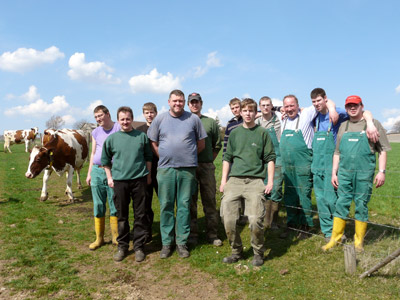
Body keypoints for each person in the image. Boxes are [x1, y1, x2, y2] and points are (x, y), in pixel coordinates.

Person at [322, 95, 391, 252]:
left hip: (364, 174)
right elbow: (337, 152)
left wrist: (381, 172)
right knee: (341, 204)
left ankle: (358, 241)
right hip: (344, 174)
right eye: (349, 106)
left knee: (361, 205)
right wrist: (334, 173)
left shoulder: (373, 125)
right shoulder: (343, 126)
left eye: (355, 105)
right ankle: (335, 239)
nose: (352, 108)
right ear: (346, 108)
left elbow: (383, 150)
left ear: (362, 106)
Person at [310, 88, 379, 241]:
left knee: (333, 199)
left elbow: (363, 112)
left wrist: (369, 122)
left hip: (332, 159)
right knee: (320, 200)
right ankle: (328, 231)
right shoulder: (315, 116)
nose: (316, 104)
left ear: (326, 99)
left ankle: (339, 231)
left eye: (319, 100)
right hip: (318, 161)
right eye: (314, 101)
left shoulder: (339, 112)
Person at [147, 89, 207, 259]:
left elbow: (200, 144)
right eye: (175, 101)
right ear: (169, 102)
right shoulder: (160, 119)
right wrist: (165, 156)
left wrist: (187, 156)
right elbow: (153, 142)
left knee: (184, 205)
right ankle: (167, 243)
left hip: (187, 169)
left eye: (180, 101)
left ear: (184, 102)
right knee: (166, 205)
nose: (178, 104)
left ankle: (181, 242)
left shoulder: (193, 119)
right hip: (165, 170)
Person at [219, 98, 276, 266]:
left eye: (251, 111)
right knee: (227, 218)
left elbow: (270, 159)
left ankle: (258, 252)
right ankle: (236, 251)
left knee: (255, 219)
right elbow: (227, 158)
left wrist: (270, 181)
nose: (248, 114)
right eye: (245, 111)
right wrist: (224, 181)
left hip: (256, 181)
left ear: (255, 112)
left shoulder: (262, 133)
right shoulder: (235, 133)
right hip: (235, 180)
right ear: (241, 112)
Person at [279, 94, 338, 239]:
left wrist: (332, 109)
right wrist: (280, 109)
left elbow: (324, 101)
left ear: (298, 105)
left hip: (303, 162)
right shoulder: (283, 120)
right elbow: (263, 110)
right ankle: (292, 224)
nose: (289, 109)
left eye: (292, 105)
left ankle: (306, 226)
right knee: (289, 194)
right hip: (288, 165)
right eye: (286, 106)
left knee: (303, 194)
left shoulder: (306, 114)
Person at [102, 106, 152, 262]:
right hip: (120, 181)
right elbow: (105, 161)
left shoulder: (141, 137)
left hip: (139, 180)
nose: (125, 122)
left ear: (132, 119)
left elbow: (148, 157)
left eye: (128, 119)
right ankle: (122, 246)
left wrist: (148, 175)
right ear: (118, 120)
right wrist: (110, 178)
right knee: (122, 216)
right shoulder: (112, 139)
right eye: (122, 119)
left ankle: (139, 247)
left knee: (140, 215)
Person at [187, 92, 222, 246]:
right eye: (192, 102)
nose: (194, 104)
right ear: (188, 104)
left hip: (206, 166)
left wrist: (208, 160)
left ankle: (212, 234)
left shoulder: (210, 122)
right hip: (188, 167)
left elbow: (217, 145)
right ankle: (192, 234)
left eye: (197, 102)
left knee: (209, 201)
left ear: (201, 103)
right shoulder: (184, 121)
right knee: (190, 201)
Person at [86, 105, 120, 250]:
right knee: (98, 204)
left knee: (114, 203)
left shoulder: (118, 128)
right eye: (96, 117)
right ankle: (99, 238)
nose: (98, 119)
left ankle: (116, 236)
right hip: (97, 171)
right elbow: (93, 153)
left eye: (100, 115)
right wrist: (89, 173)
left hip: (113, 171)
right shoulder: (95, 132)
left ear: (108, 114)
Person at [133, 102, 159, 244]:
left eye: (152, 112)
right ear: (143, 114)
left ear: (156, 113)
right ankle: (146, 232)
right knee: (145, 203)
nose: (149, 115)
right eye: (147, 113)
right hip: (145, 171)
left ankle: (169, 231)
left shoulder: (162, 127)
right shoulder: (140, 130)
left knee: (165, 201)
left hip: (161, 169)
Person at [255, 96, 283, 229]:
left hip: (278, 157)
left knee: (276, 188)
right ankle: (265, 220)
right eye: (263, 105)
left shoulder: (280, 118)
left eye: (268, 105)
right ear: (259, 107)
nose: (265, 107)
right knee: (263, 188)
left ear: (272, 106)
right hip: (262, 159)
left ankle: (274, 221)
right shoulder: (257, 122)